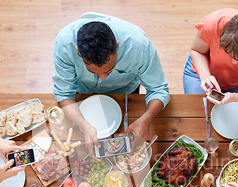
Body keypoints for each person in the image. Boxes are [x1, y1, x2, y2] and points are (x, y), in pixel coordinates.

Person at [52, 16, 170, 158]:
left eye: (110, 70)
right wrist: (83, 125)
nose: (103, 78)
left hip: (126, 92)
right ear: (78, 51)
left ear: (117, 45)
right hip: (83, 92)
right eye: (93, 72)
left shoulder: (139, 48)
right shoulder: (64, 46)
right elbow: (64, 94)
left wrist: (147, 117)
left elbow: (159, 89)